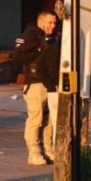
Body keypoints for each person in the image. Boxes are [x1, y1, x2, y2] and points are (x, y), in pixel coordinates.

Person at [13, 10, 60, 166]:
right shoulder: (30, 36)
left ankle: (48, 149)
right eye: (50, 23)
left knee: (51, 118)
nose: (53, 26)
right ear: (41, 22)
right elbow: (17, 56)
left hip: (51, 83)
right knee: (36, 118)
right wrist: (39, 48)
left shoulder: (54, 37)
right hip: (35, 83)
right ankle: (34, 152)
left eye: (55, 23)